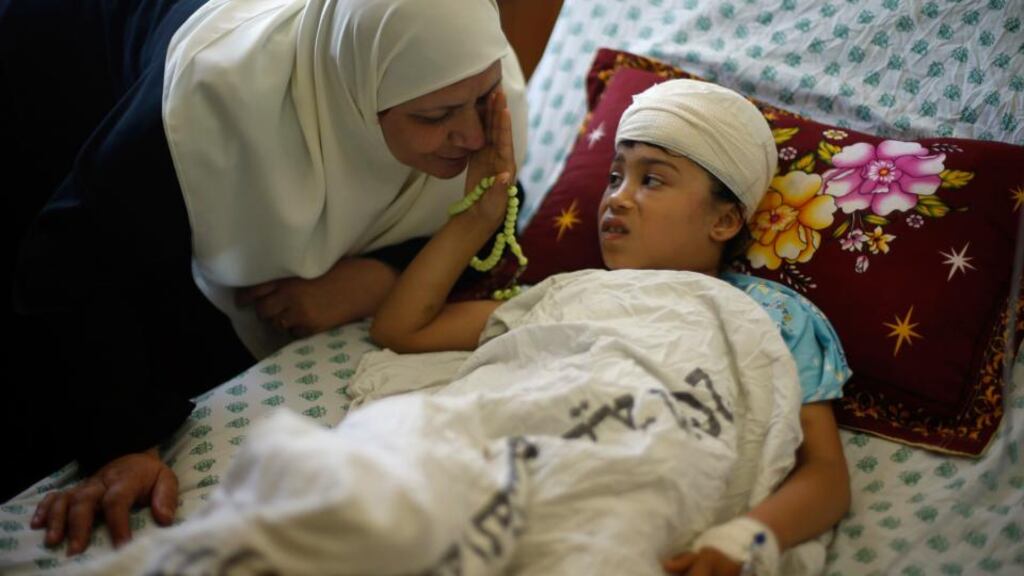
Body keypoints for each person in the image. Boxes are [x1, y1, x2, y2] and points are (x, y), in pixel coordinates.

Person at [4, 0, 526, 554]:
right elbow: (68, 257)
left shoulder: (480, 78)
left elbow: (499, 211)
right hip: (58, 49)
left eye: (480, 100)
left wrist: (374, 278)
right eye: (435, 116)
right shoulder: (211, 107)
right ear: (351, 91)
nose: (472, 135)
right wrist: (124, 441)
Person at [369, 79, 852, 575]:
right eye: (615, 177)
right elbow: (403, 329)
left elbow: (825, 476)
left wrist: (741, 539)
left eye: (652, 180)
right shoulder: (568, 293)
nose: (617, 199)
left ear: (725, 221)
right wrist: (479, 216)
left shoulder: (773, 317)